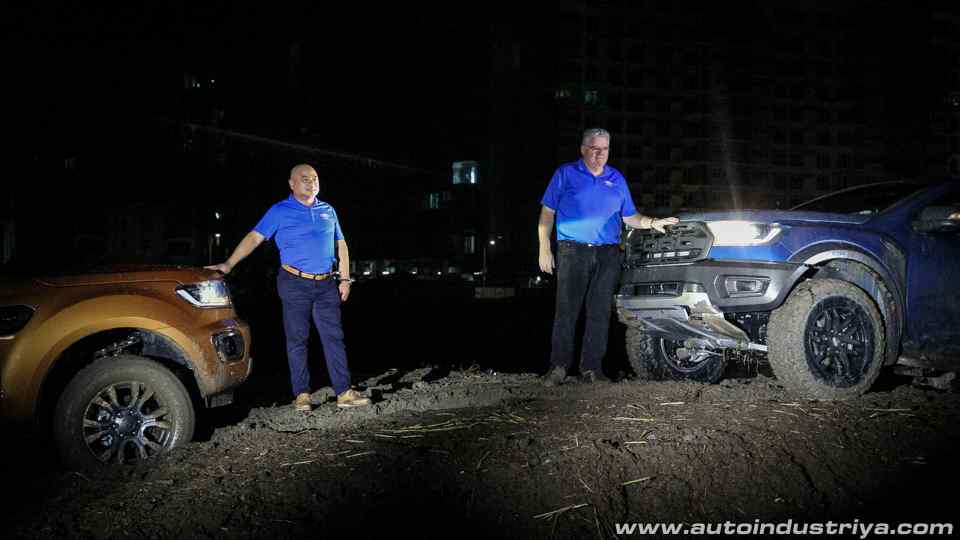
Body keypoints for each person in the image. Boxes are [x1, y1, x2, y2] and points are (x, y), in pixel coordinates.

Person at [206, 164, 370, 411]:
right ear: (291, 184)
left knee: (334, 338)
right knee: (297, 339)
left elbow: (342, 245)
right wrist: (229, 264)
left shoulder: (328, 210)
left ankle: (344, 392)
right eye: (304, 178)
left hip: (326, 283)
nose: (311, 182)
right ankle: (302, 394)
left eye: (314, 178)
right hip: (294, 282)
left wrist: (345, 279)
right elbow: (255, 237)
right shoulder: (280, 211)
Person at [538, 128, 678, 386]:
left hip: (608, 254)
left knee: (600, 312)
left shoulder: (617, 178)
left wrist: (652, 222)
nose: (599, 153)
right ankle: (557, 368)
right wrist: (544, 248)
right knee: (567, 311)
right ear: (583, 149)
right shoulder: (566, 173)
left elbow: (629, 217)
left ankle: (592, 370)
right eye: (594, 148)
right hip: (572, 250)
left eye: (604, 148)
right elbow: (547, 212)